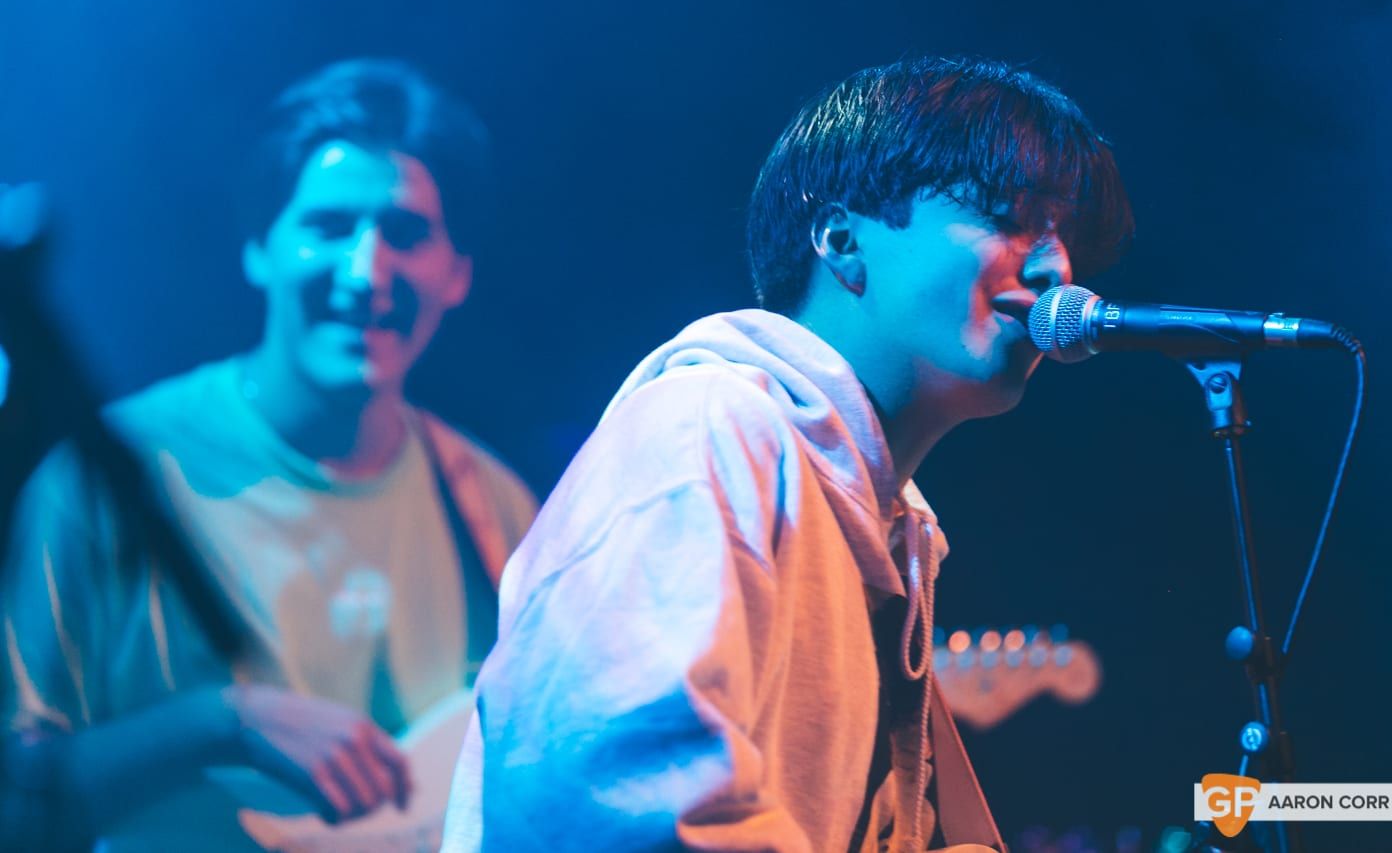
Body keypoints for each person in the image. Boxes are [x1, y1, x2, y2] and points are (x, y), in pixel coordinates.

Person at [442, 56, 1134, 852]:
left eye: (1063, 234)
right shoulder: (707, 425)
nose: (1057, 269)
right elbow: (617, 806)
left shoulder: (894, 527)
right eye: (1009, 215)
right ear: (842, 238)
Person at [1, 59, 537, 847]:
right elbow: (15, 804)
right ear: (259, 247)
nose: (366, 272)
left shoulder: (494, 505)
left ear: (457, 273)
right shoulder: (104, 476)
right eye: (329, 226)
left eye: (406, 233)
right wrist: (221, 722)